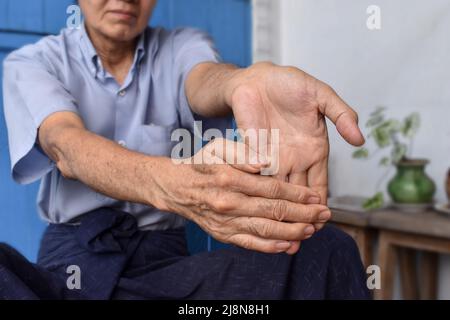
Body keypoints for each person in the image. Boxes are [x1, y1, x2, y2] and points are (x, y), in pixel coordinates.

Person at [0, 0, 369, 299]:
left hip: (167, 272)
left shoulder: (181, 46)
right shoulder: (33, 62)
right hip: (72, 266)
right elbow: (65, 144)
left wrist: (243, 82)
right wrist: (171, 185)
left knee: (324, 247)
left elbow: (206, 80)